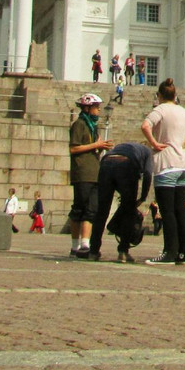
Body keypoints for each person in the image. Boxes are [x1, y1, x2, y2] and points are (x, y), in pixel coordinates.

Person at [141, 78, 185, 265]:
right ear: (175, 95)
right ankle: (182, 254)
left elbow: (145, 126)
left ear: (160, 95)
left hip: (166, 163)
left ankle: (169, 252)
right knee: (180, 210)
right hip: (183, 165)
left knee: (167, 210)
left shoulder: (160, 109)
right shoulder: (184, 111)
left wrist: (154, 143)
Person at [85, 141, 154, 262]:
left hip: (106, 162)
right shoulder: (148, 152)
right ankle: (123, 251)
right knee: (128, 212)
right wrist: (142, 197)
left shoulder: (123, 146)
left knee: (102, 211)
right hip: (127, 164)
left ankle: (93, 251)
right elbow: (148, 174)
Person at [69, 93, 112, 257]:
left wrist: (100, 147)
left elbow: (90, 147)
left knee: (91, 208)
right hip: (82, 172)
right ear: (87, 108)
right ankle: (76, 245)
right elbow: (74, 148)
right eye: (96, 107)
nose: (99, 110)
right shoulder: (79, 124)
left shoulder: (93, 126)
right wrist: (96, 144)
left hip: (94, 171)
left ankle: (85, 243)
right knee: (80, 209)